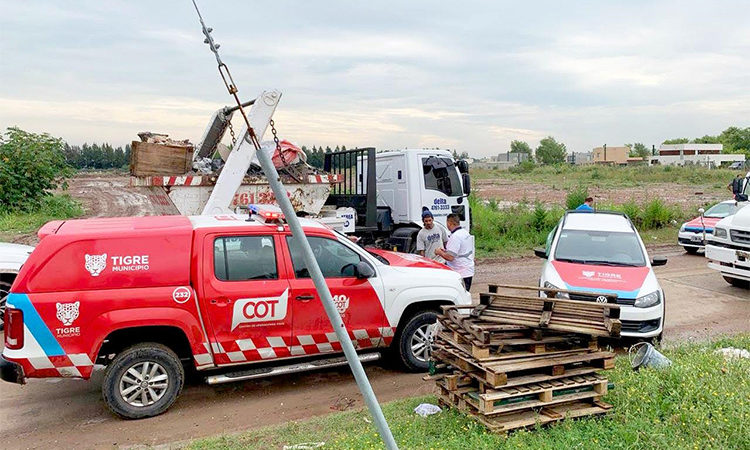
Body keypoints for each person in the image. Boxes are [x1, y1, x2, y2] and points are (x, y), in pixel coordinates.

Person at [434, 213, 475, 291]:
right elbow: (461, 251)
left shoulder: (455, 236)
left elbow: (450, 257)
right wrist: (445, 251)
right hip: (467, 269)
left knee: (460, 297)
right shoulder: (465, 232)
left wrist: (439, 252)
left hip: (460, 272)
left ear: (449, 223)